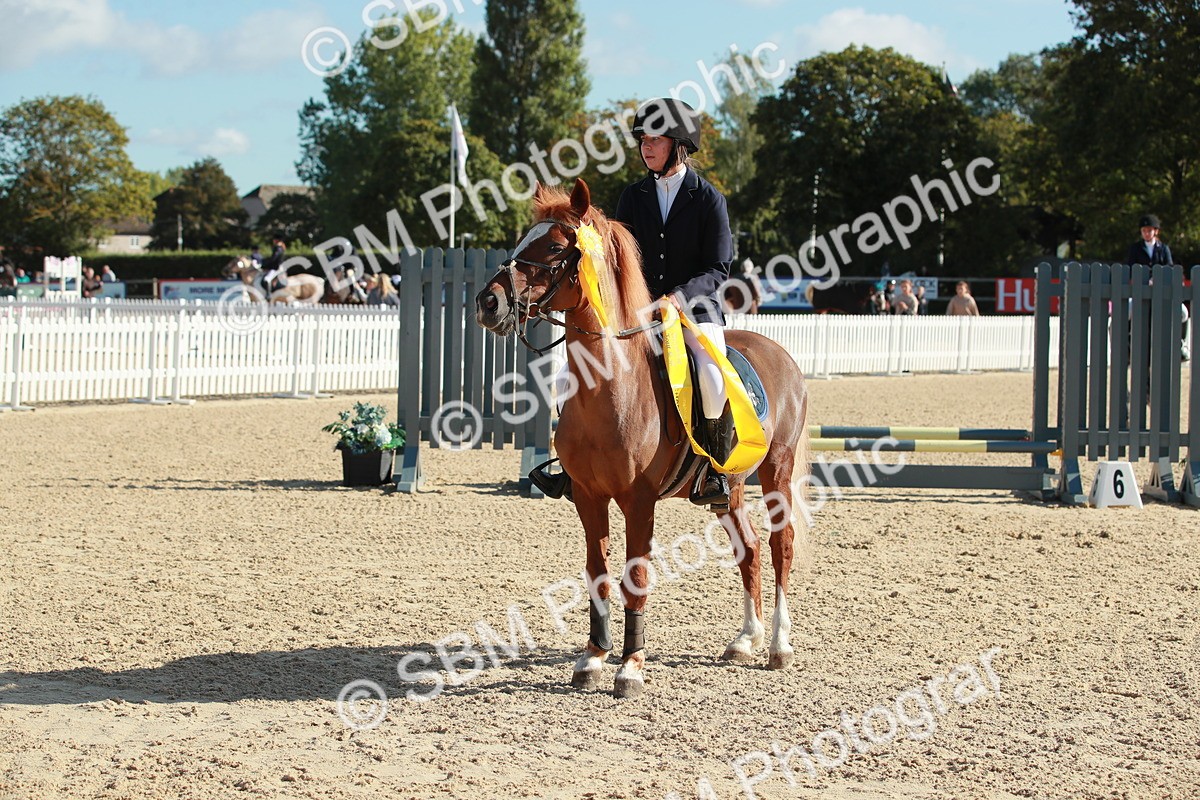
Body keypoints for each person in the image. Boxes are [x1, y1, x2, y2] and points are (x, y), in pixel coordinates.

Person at [532, 97, 735, 507]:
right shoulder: (633, 196)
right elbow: (616, 261)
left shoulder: (708, 198)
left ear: (679, 144)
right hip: (636, 316)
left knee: (712, 379)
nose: (646, 146)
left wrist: (678, 298)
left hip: (693, 312)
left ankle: (714, 469)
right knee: (568, 378)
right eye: (643, 138)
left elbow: (719, 267)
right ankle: (574, 466)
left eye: (656, 139)